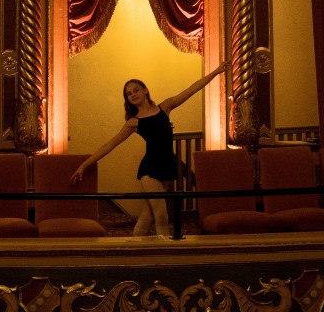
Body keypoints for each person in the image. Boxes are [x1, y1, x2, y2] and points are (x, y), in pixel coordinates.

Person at [71, 61, 230, 237]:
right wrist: (84, 165)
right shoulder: (134, 122)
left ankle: (135, 248)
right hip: (150, 169)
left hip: (167, 167)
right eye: (129, 94)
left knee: (147, 216)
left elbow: (192, 89)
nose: (133, 95)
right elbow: (109, 145)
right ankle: (166, 256)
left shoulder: (165, 107)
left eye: (136, 90)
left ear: (145, 90)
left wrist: (216, 71)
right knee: (162, 216)